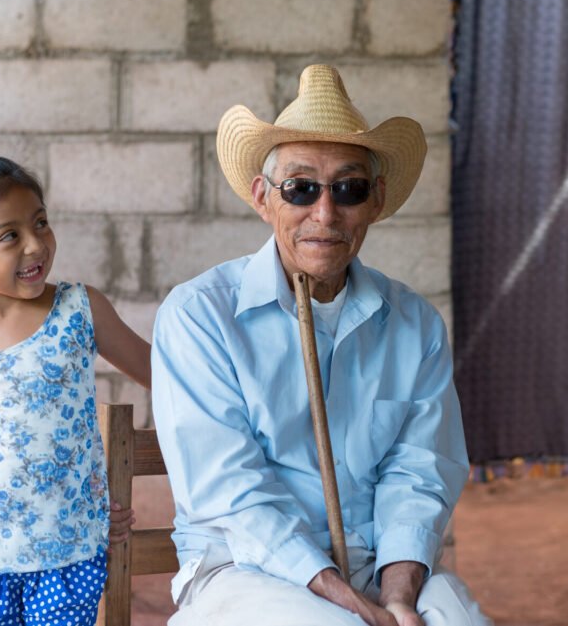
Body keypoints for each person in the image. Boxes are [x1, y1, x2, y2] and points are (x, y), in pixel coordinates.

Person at [153, 64, 492, 626]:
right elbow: (231, 493)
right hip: (245, 571)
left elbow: (419, 472)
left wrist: (397, 597)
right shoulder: (199, 316)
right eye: (301, 188)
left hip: (375, 566)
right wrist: (352, 606)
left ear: (376, 200)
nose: (326, 213)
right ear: (263, 197)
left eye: (349, 189)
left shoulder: (414, 323)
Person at [0, 156, 152, 626]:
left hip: (68, 551)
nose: (35, 244)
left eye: (40, 223)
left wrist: (92, 505)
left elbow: (164, 376)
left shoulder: (79, 310)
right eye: (10, 235)